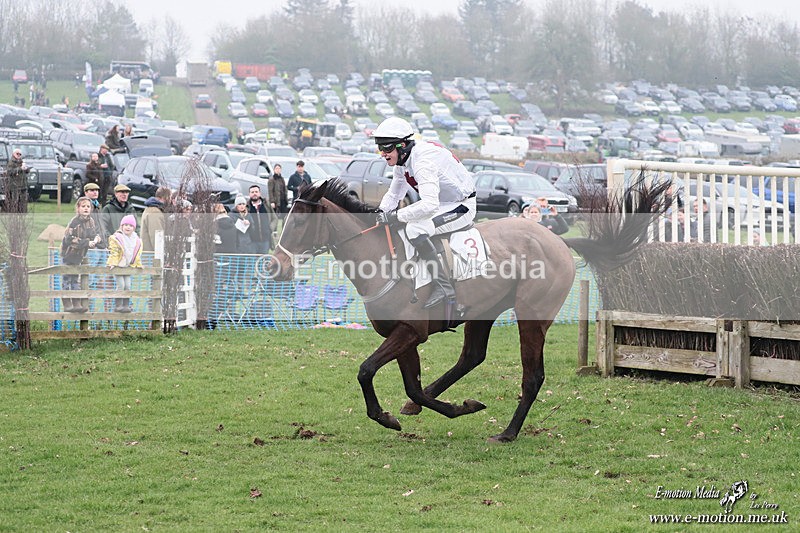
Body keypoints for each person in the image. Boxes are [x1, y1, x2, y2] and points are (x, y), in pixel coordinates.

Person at [374, 116, 476, 309]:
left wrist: (395, 216)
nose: (382, 154)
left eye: (387, 148)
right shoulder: (403, 161)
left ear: (402, 145)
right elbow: (394, 194)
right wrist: (378, 214)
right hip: (443, 204)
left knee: (414, 229)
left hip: (462, 206)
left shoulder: (422, 161)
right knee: (406, 225)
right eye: (380, 148)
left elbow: (429, 204)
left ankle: (444, 287)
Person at [60, 197, 102, 313]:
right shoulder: (74, 222)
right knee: (66, 279)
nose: (86, 209)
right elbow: (69, 239)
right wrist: (86, 242)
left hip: (79, 256)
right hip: (68, 254)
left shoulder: (91, 221)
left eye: (88, 207)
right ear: (78, 208)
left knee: (75, 279)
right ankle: (67, 302)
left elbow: (92, 234)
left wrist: (96, 239)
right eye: (83, 206)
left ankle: (76, 302)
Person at [106, 214, 142, 313]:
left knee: (128, 285)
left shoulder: (136, 240)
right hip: (118, 265)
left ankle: (126, 305)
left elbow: (136, 253)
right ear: (121, 226)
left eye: (130, 226)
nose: (128, 227)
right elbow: (114, 252)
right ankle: (118, 305)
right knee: (121, 285)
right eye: (125, 225)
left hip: (128, 266)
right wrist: (113, 263)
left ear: (134, 228)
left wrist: (138, 264)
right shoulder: (117, 238)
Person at [246, 184, 277, 254]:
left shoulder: (266, 204)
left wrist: (270, 228)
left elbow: (275, 218)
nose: (254, 194)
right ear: (249, 194)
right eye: (252, 192)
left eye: (256, 192)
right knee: (253, 261)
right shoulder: (246, 207)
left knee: (263, 262)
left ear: (259, 193)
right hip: (252, 241)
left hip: (265, 240)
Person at [141, 187, 171, 252]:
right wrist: (161, 255)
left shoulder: (152, 209)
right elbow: (156, 238)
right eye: (169, 198)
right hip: (152, 256)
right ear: (165, 197)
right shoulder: (154, 212)